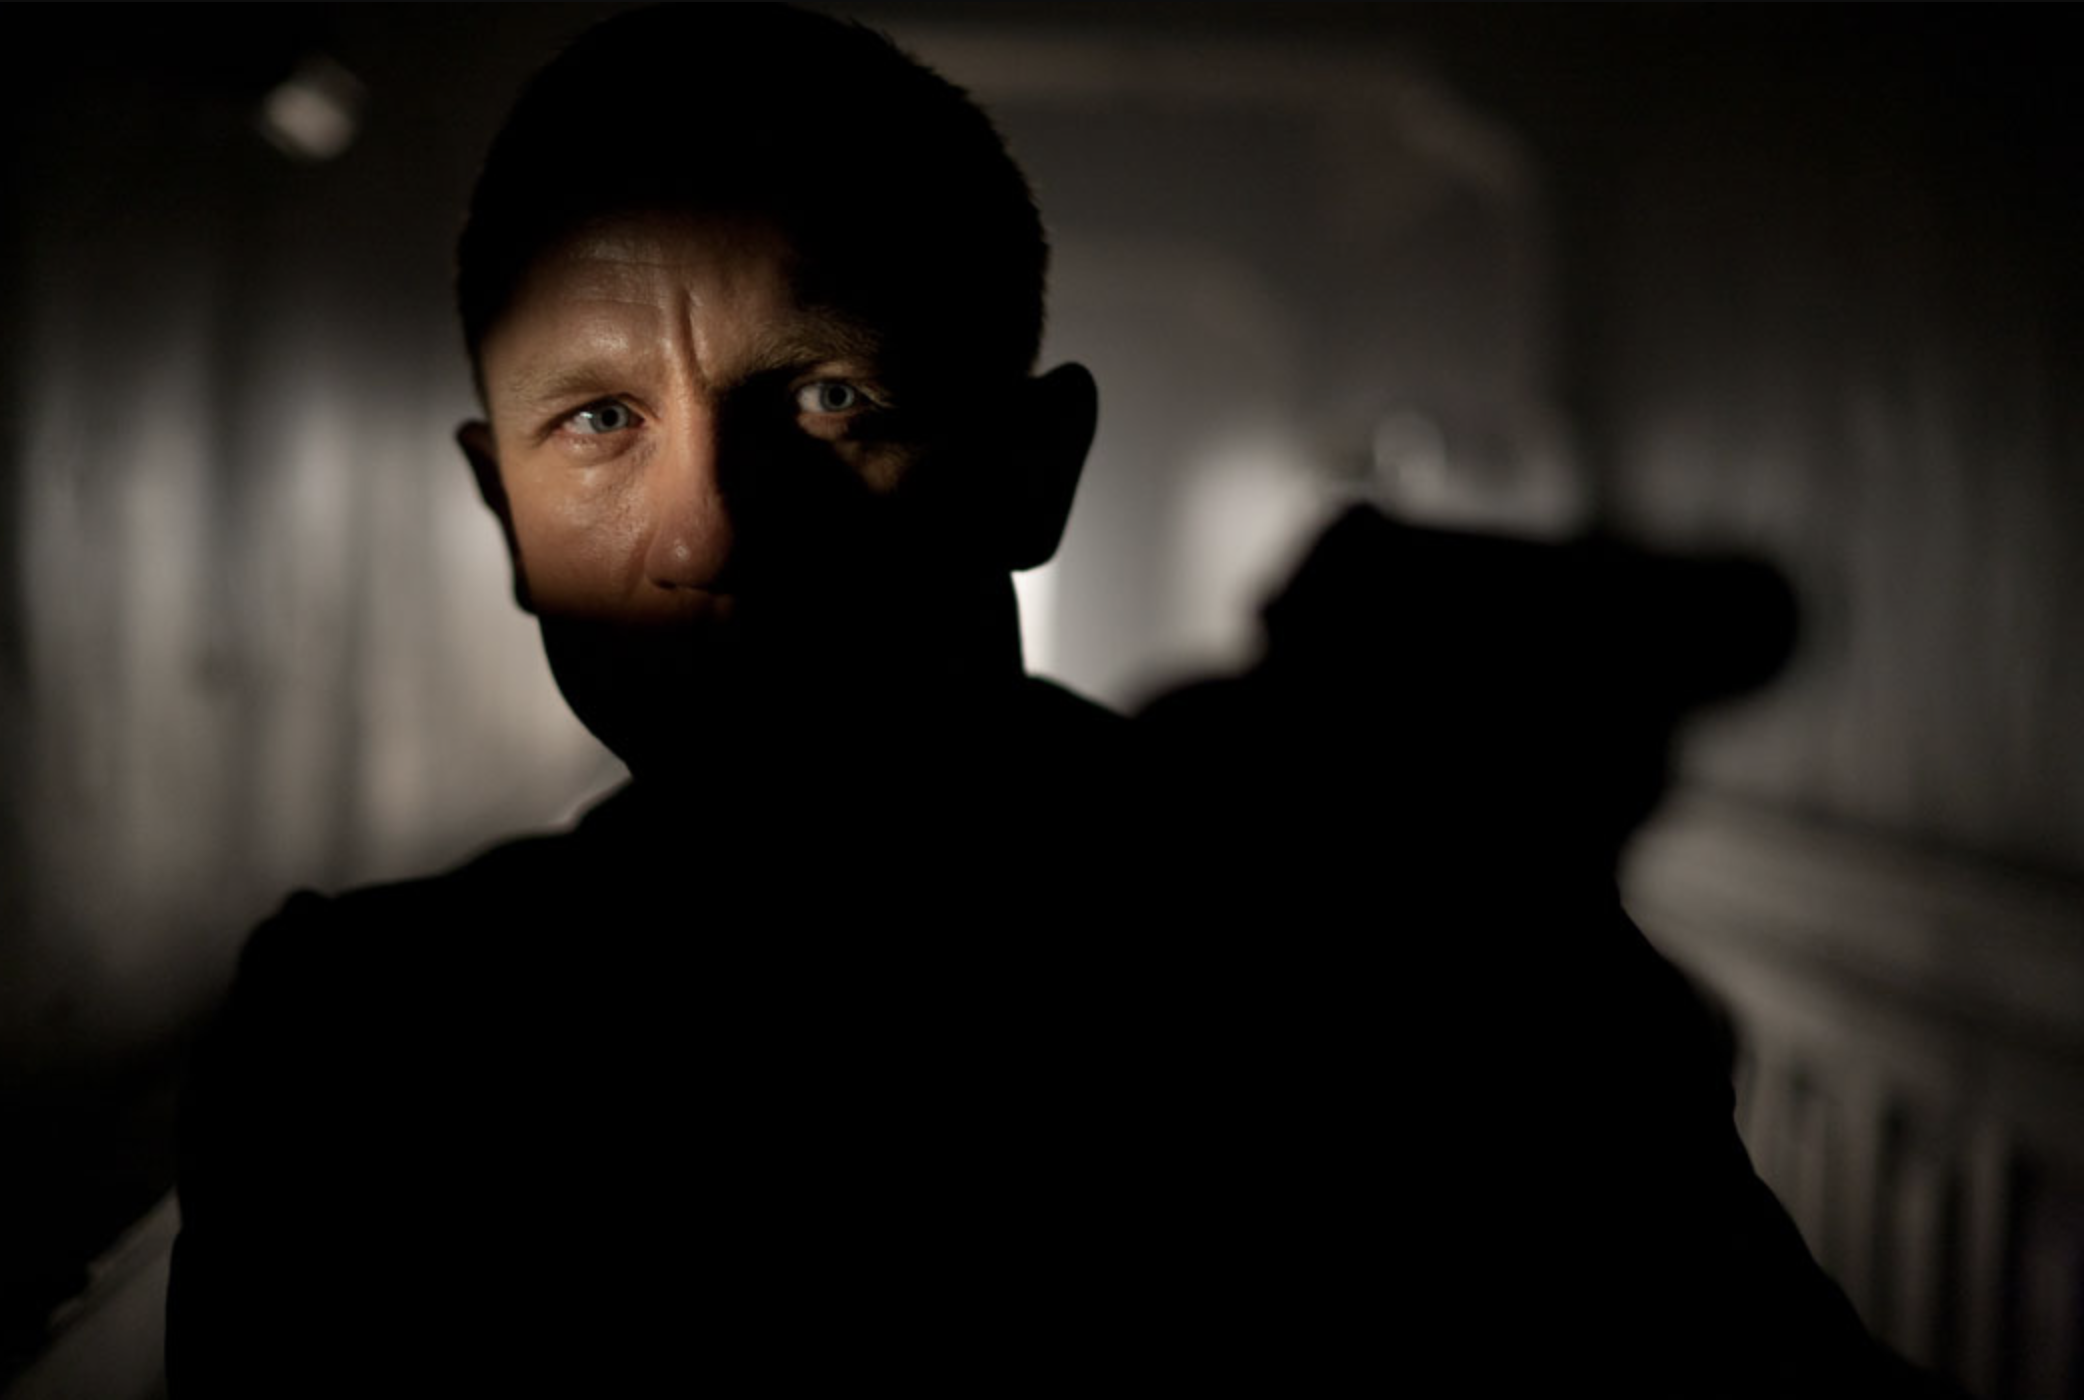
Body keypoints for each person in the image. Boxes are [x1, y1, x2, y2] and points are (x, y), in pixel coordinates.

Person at [171, 6, 1952, 1395]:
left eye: (828, 400)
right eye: (599, 422)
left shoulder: (1436, 992)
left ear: (1036, 469)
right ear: (500, 507)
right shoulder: (364, 1059)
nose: (707, 530)